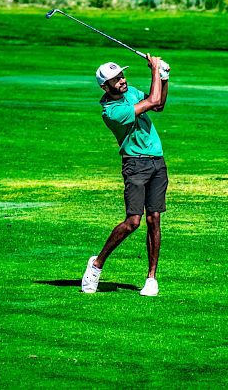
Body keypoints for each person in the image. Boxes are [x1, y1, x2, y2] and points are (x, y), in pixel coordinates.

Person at [82, 55, 170, 296]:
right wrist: (154, 69)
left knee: (154, 219)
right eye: (115, 79)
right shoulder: (111, 111)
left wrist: (164, 77)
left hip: (157, 161)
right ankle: (97, 263)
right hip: (135, 165)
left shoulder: (131, 92)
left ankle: (151, 278)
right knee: (133, 222)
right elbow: (152, 100)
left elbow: (159, 104)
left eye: (121, 75)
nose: (121, 80)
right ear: (104, 87)